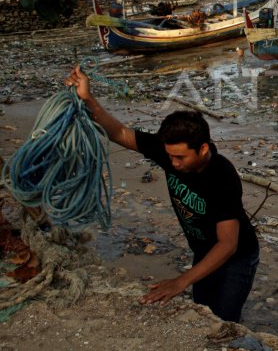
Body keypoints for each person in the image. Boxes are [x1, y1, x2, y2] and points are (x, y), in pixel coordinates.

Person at [65, 65, 260, 322]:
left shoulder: (221, 176)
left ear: (202, 149)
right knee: (203, 312)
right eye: (169, 156)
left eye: (180, 157)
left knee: (224, 320)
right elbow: (120, 133)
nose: (173, 163)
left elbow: (228, 243)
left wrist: (181, 281)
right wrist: (87, 98)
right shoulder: (169, 152)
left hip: (235, 257)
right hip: (203, 250)